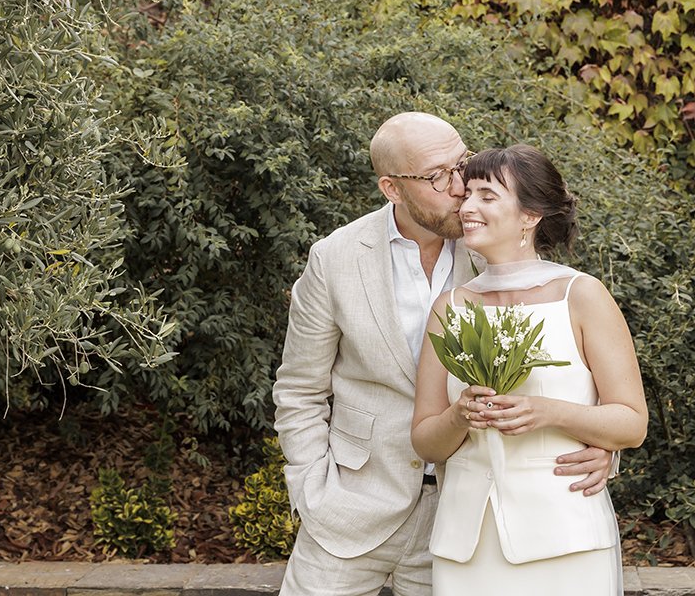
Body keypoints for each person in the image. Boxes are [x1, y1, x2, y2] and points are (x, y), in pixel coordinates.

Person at [273, 114, 614, 596]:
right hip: (349, 512)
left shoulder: (495, 245)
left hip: (465, 519)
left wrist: (601, 449)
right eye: (438, 177)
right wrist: (311, 491)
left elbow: (574, 370)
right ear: (393, 189)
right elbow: (299, 390)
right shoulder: (335, 258)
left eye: (462, 165)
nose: (459, 188)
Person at [411, 144, 647, 596]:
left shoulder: (580, 296)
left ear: (530, 215)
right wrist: (459, 416)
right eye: (469, 194)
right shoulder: (451, 308)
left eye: (487, 195)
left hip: (567, 536)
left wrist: (548, 412)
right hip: (467, 546)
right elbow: (425, 439)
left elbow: (632, 422)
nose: (469, 206)